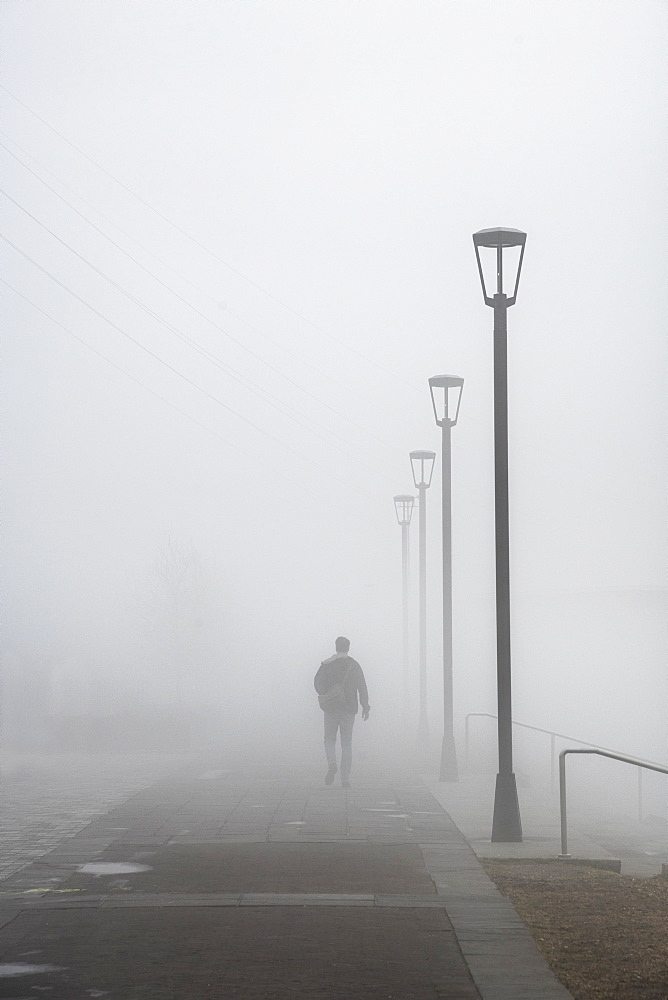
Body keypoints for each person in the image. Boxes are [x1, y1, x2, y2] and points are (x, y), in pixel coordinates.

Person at [313, 636, 370, 788]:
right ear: (348, 648)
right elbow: (362, 686)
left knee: (329, 739)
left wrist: (327, 692)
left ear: (336, 647)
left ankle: (332, 764)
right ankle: (345, 779)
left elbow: (317, 684)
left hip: (331, 708)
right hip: (349, 709)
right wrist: (365, 706)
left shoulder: (327, 664)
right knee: (347, 744)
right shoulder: (354, 665)